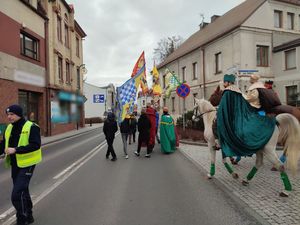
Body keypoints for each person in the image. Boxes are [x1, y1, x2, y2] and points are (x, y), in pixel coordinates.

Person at [0, 104, 42, 225]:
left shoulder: (31, 127)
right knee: (23, 190)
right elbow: (3, 145)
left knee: (17, 194)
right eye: (7, 114)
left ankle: (22, 220)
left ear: (19, 114)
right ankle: (29, 216)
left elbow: (35, 144)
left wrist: (16, 149)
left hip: (28, 164)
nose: (9, 117)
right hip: (15, 164)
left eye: (12, 114)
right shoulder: (9, 128)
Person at [217, 74, 276, 158]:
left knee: (217, 124)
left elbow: (225, 106)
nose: (223, 83)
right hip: (257, 106)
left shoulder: (228, 92)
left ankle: (219, 143)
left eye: (225, 82)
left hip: (253, 106)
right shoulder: (237, 90)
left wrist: (219, 113)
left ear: (228, 82)